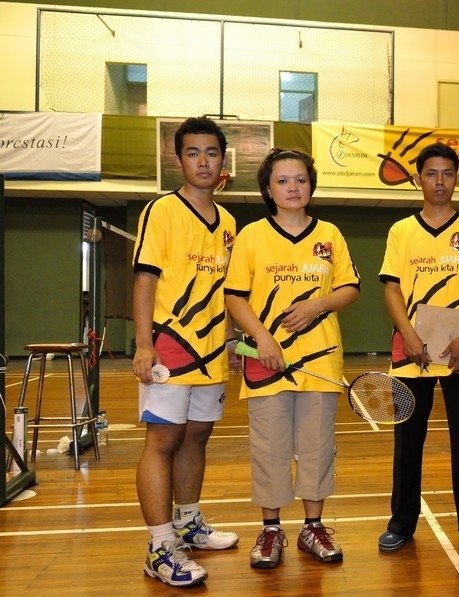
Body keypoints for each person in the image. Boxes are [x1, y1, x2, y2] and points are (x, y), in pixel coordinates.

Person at [224, 149, 360, 569]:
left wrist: (318, 304)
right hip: (266, 362)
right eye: (282, 181)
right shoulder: (251, 236)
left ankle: (313, 527)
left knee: (317, 447)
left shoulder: (330, 234)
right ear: (269, 189)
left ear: (311, 186)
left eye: (300, 179)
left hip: (320, 360)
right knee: (269, 448)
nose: (293, 187)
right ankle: (270, 530)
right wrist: (262, 338)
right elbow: (234, 296)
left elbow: (350, 288)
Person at [377, 142, 459, 553]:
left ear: (457, 178)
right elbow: (392, 288)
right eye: (431, 173)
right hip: (413, 349)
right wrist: (409, 335)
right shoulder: (402, 231)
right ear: (418, 179)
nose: (439, 181)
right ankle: (401, 523)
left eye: (447, 173)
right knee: (407, 440)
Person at [133, 116, 241, 588]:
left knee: (197, 437)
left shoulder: (230, 223)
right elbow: (145, 280)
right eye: (193, 153)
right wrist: (143, 344)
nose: (203, 161)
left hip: (212, 351)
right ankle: (160, 547)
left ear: (222, 161)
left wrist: (231, 339)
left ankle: (189, 522)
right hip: (169, 349)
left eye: (211, 153)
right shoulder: (161, 211)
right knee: (163, 442)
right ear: (178, 160)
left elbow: (227, 290)